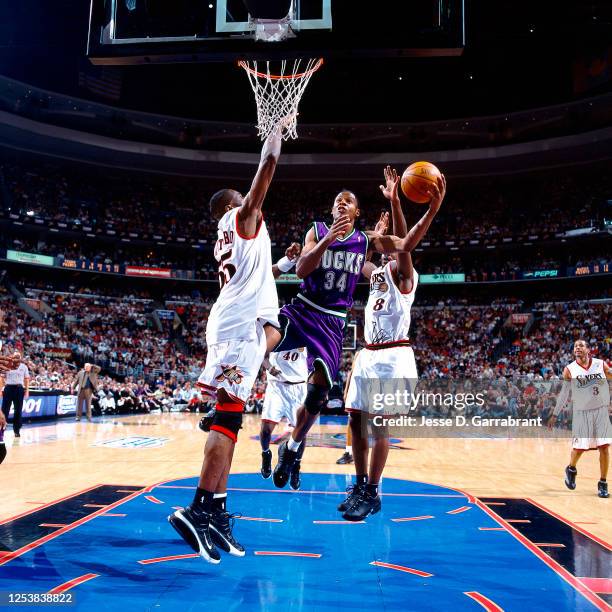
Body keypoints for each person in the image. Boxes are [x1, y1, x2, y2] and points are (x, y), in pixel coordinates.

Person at [266, 169, 446, 489]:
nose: (341, 203)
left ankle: (293, 449)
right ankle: (225, 388)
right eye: (337, 200)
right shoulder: (317, 230)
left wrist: (398, 204)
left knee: (318, 395)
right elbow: (303, 269)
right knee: (264, 333)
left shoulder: (366, 242)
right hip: (304, 307)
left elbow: (403, 244)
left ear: (356, 211)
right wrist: (327, 239)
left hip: (334, 322)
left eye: (347, 201)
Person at [169, 121, 289, 565]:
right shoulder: (240, 217)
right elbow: (266, 174)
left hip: (237, 325)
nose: (248, 199)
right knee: (227, 418)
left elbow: (255, 276)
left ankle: (216, 510)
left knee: (231, 420)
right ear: (232, 207)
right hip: (238, 330)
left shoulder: (237, 237)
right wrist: (274, 139)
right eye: (242, 198)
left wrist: (282, 265)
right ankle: (199, 507)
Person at [341, 166, 421, 520]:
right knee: (356, 422)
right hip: (368, 355)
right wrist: (376, 239)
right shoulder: (377, 274)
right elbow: (362, 264)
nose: (390, 249)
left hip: (392, 355)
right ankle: (358, 484)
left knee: (379, 425)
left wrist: (396, 203)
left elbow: (404, 243)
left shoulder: (405, 275)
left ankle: (373, 490)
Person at [548, 339, 611, 498]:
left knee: (604, 447)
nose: (578, 348)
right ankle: (571, 468)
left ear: (588, 349)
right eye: (575, 346)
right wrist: (555, 413)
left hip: (601, 411)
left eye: (581, 345)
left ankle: (603, 483)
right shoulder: (569, 369)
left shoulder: (600, 364)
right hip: (582, 413)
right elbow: (564, 393)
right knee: (580, 449)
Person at [260, 348, 308, 490]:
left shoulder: (308, 332)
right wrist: (269, 366)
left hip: (299, 387)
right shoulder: (278, 330)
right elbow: (260, 352)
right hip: (277, 386)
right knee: (265, 431)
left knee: (301, 433)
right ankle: (265, 454)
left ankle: (296, 466)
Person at [0, 351, 30, 438]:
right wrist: (1, 389)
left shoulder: (24, 367)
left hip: (19, 389)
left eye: (18, 357)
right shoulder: (7, 365)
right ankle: (2, 430)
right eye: (15, 356)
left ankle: (16, 430)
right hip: (8, 388)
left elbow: (26, 379)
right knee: (4, 410)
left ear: (20, 358)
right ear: (12, 357)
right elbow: (1, 378)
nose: (16, 358)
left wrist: (27, 390)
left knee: (18, 411)